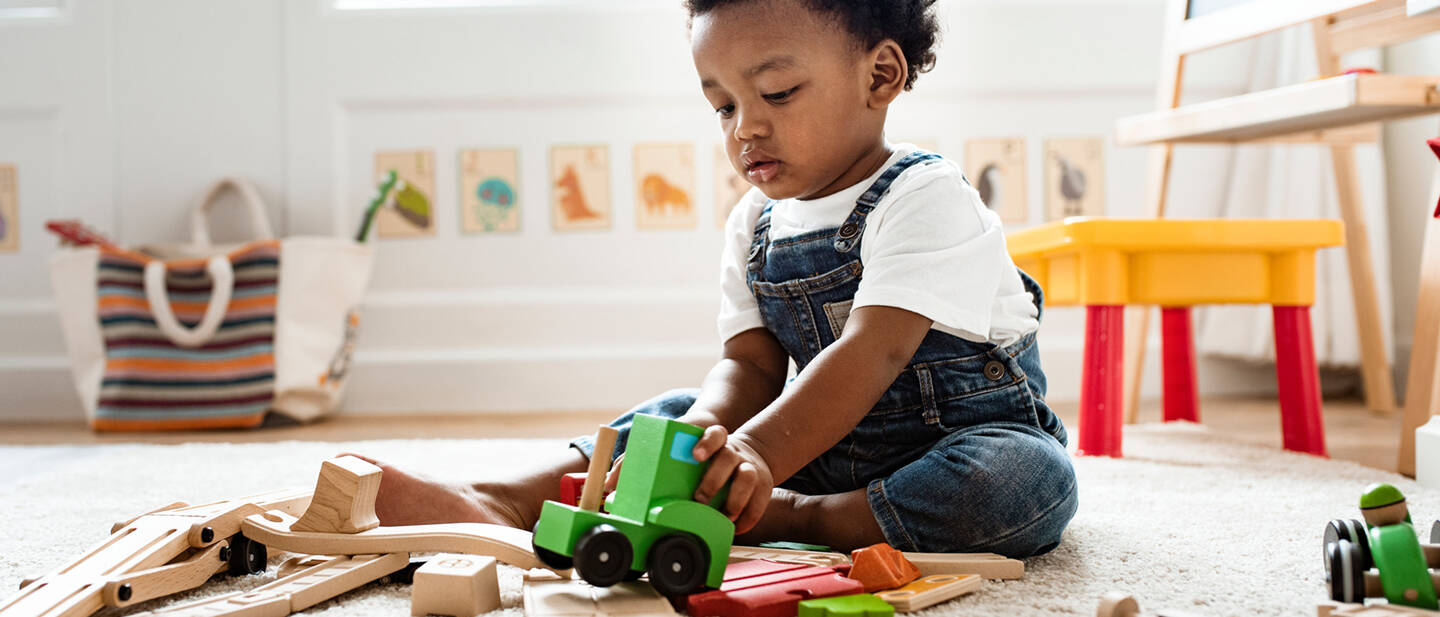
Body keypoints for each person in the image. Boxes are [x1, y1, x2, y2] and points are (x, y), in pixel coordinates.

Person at [355, 0, 1077, 557]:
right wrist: (707, 433)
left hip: (951, 443)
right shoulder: (754, 223)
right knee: (674, 410)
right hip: (813, 447)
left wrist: (759, 454)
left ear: (879, 76)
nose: (744, 129)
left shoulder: (924, 198)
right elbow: (751, 366)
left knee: (1018, 482)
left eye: (779, 93)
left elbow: (873, 352)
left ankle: (800, 520)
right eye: (724, 106)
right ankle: (508, 500)